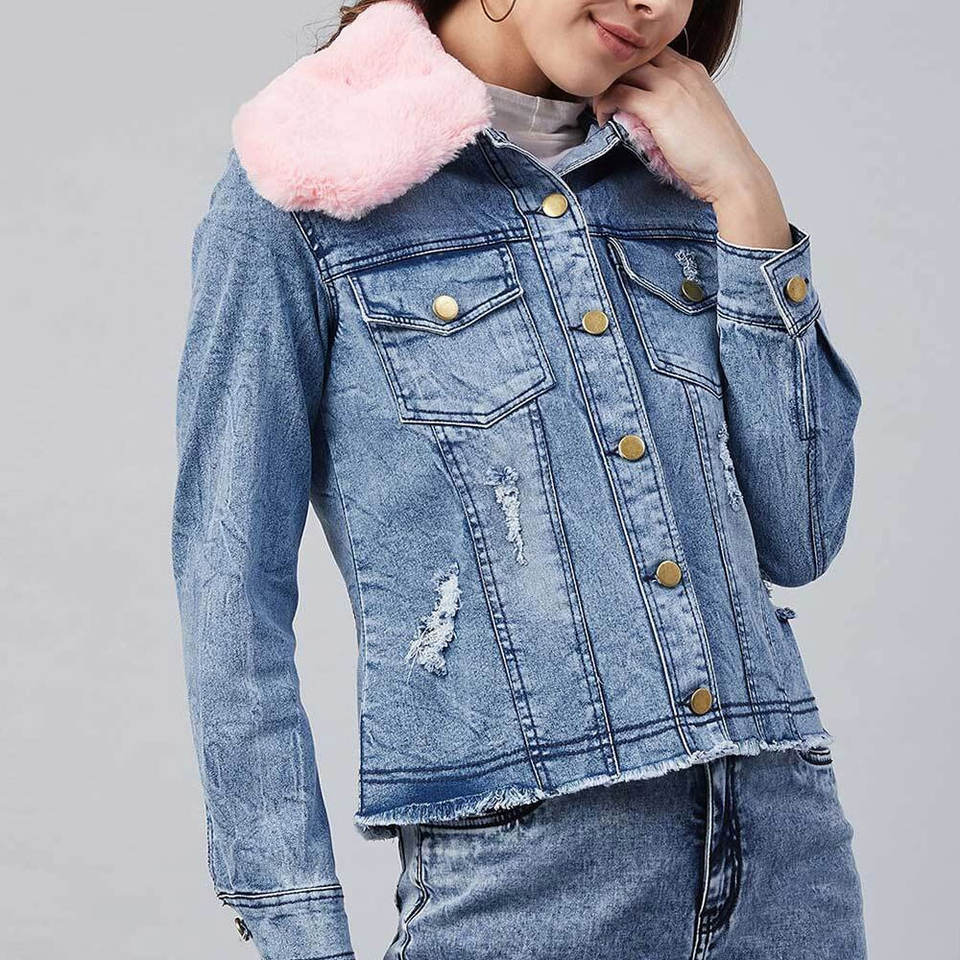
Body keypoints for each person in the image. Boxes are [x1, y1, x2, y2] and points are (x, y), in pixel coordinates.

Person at [171, 0, 868, 957]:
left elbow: (802, 534)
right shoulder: (302, 186)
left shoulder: (685, 181)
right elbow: (230, 589)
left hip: (787, 860)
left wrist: (748, 202)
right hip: (527, 880)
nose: (658, 4)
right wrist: (297, 927)